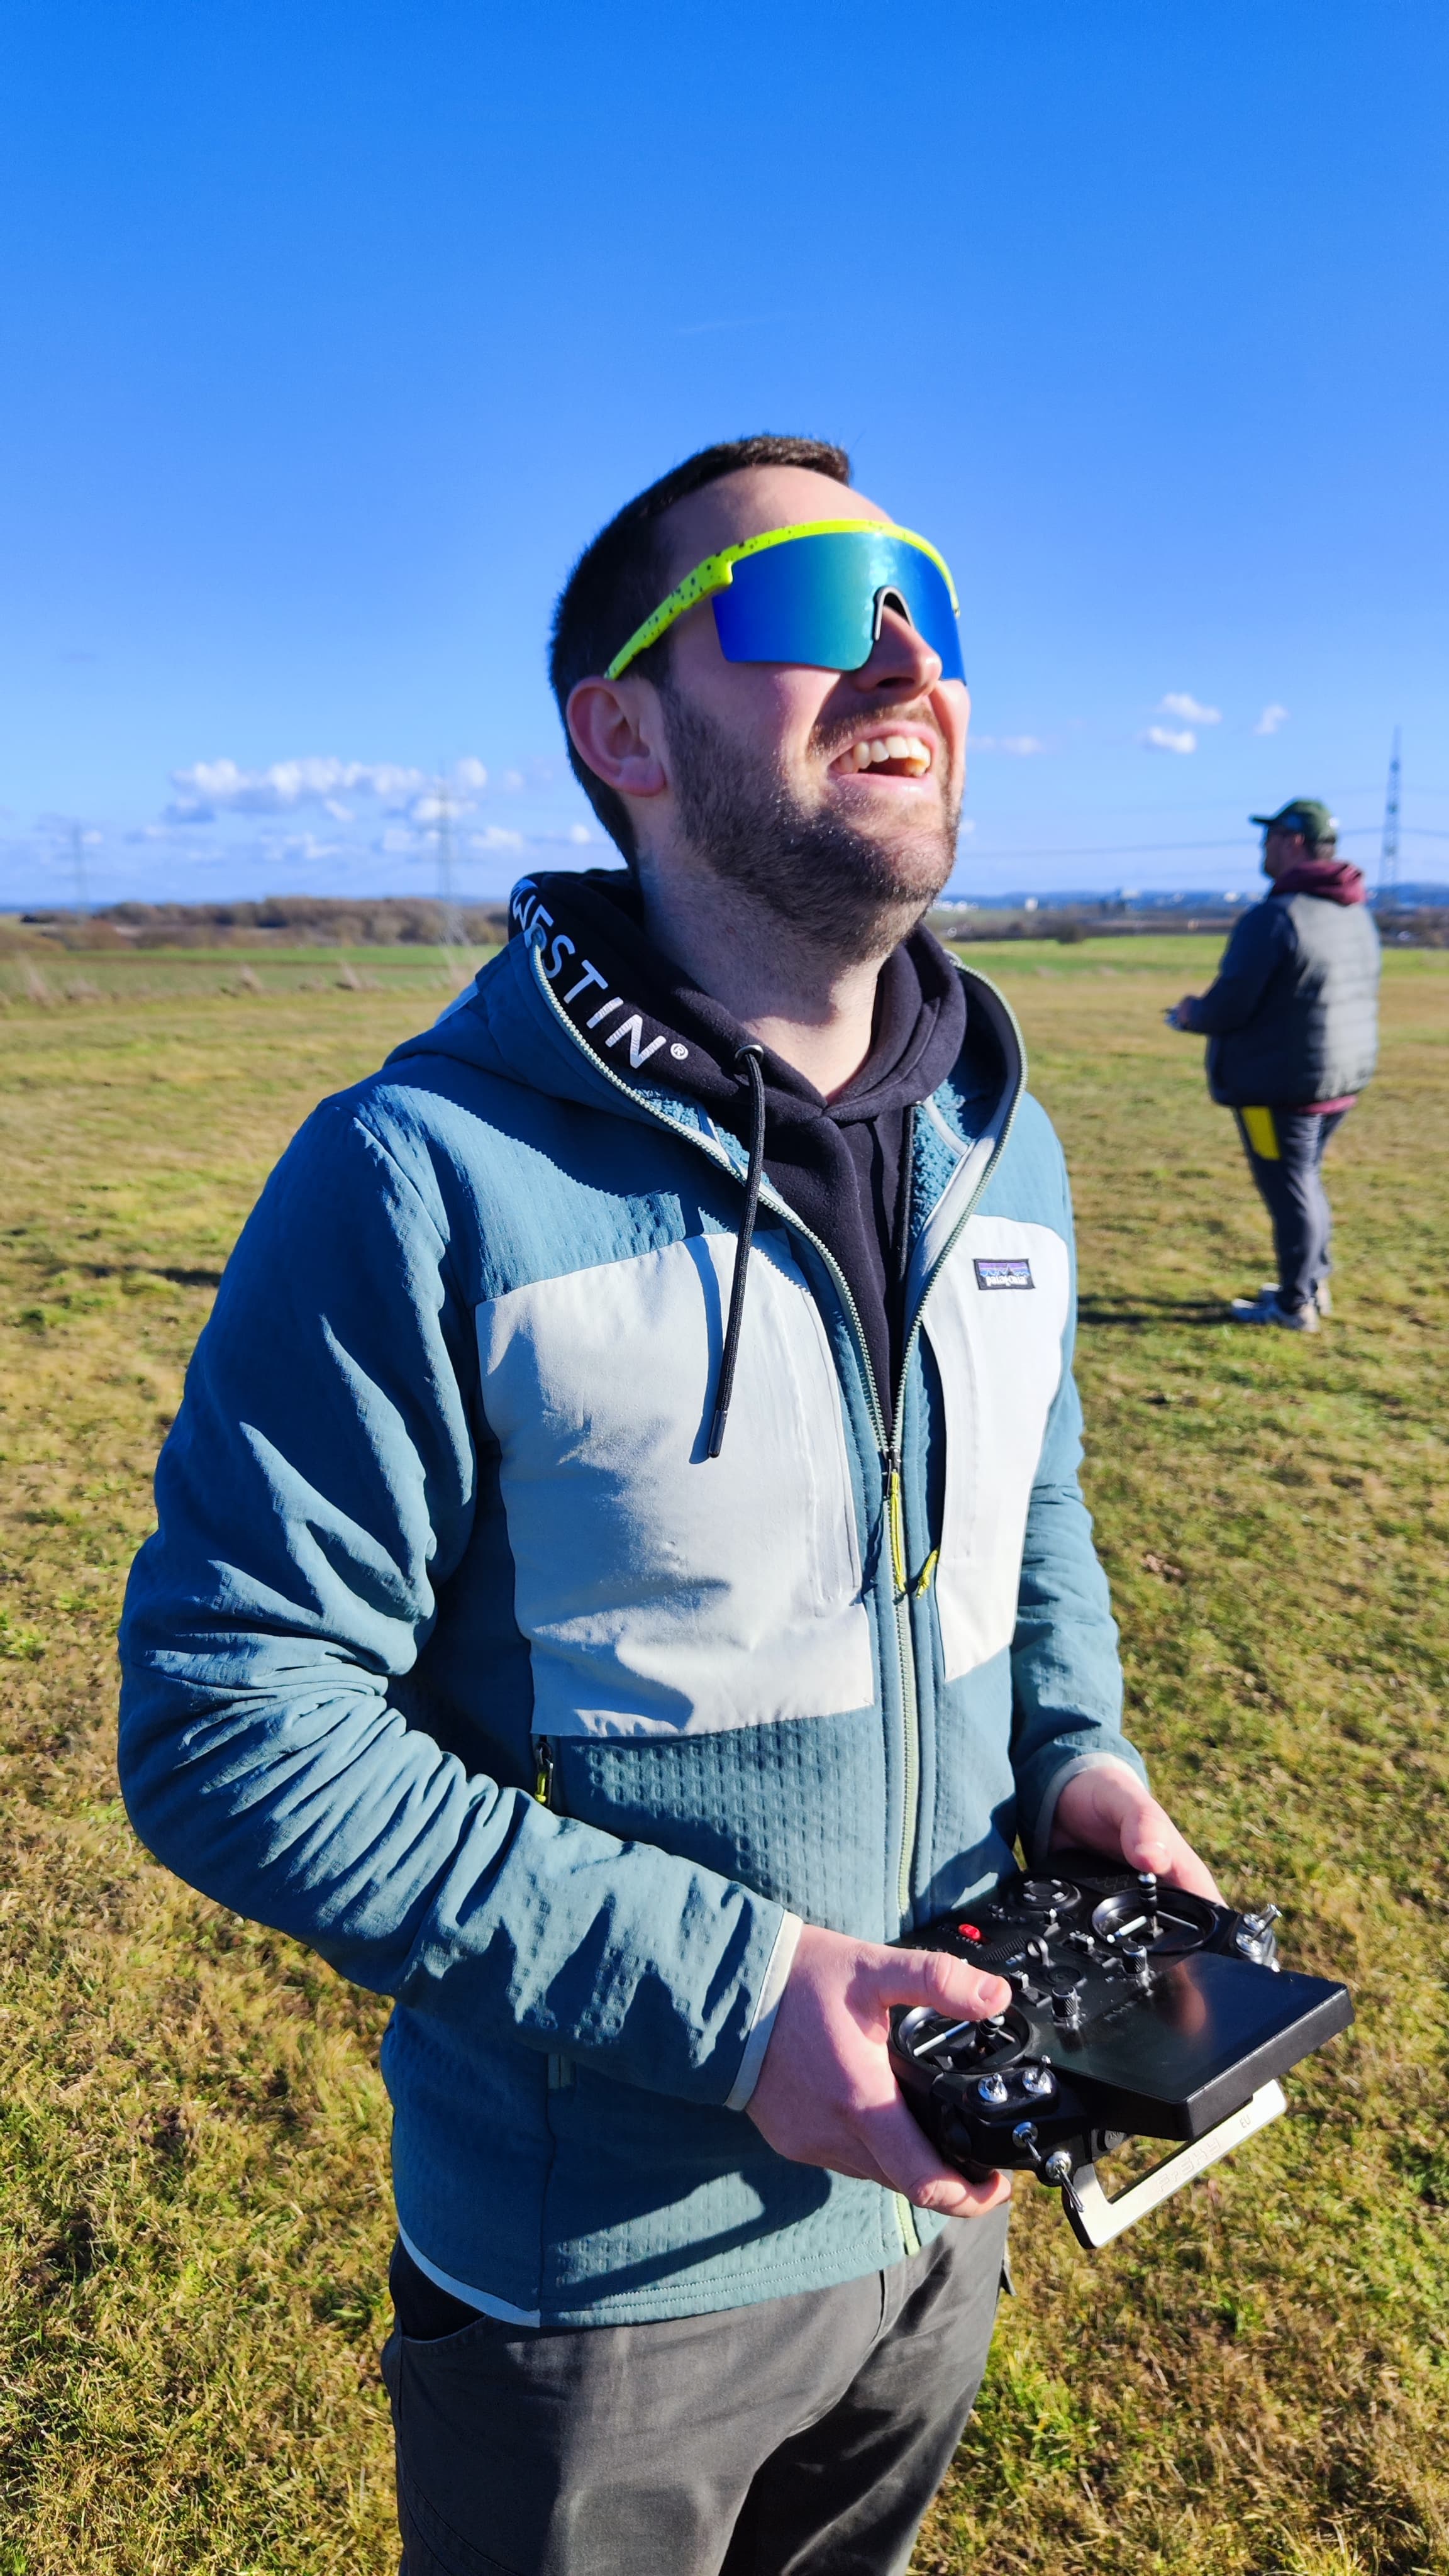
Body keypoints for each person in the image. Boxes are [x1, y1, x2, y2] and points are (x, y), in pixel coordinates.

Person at [118, 435, 1218, 2576]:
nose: (903, 654)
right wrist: (737, 2003)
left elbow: (1031, 1513)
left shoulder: (1005, 1142)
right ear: (621, 731)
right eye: (810, 602)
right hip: (599, 2286)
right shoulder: (420, 1175)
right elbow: (231, 1722)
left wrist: (1075, 1754)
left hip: (944, 2196)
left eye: (929, 604)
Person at [1167, 798, 1380, 1332]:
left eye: (1269, 838)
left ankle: (1293, 1304)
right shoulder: (1352, 911)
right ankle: (1312, 1282)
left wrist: (1191, 1013)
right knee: (1305, 1181)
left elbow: (1230, 1005)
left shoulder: (1276, 917)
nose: (1262, 848)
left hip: (1280, 1088)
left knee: (1290, 1191)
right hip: (1341, 1078)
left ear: (1294, 843)